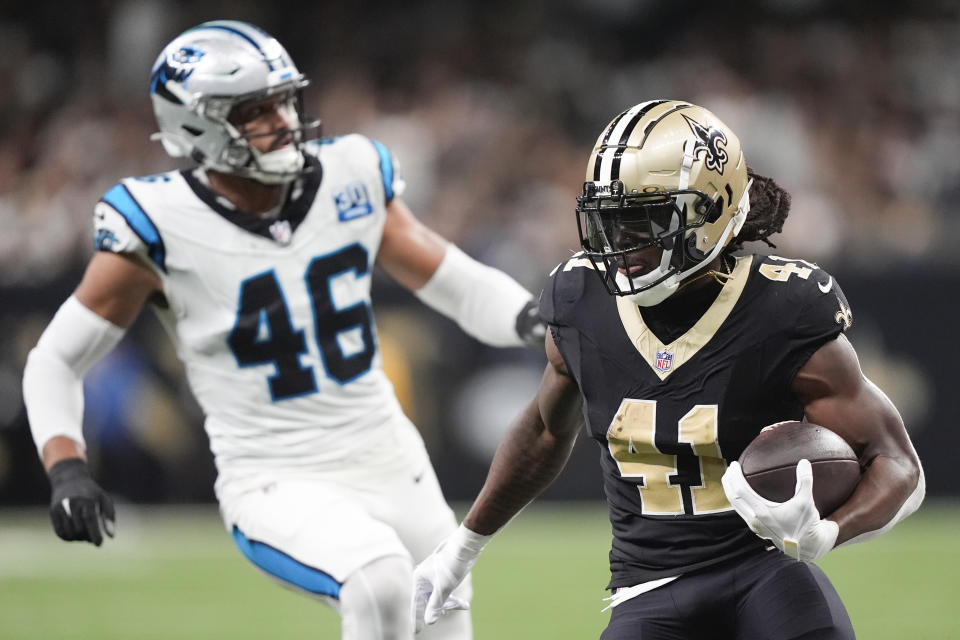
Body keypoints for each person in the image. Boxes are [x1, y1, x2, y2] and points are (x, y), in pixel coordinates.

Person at [21, 20, 545, 640]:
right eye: (255, 110)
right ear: (197, 126)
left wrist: (535, 319)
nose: (283, 120)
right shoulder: (158, 223)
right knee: (376, 580)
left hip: (386, 452)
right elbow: (55, 359)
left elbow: (449, 278)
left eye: (284, 99)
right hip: (275, 472)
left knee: (438, 614)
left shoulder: (350, 173)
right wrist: (66, 466)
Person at [412, 100, 925, 639]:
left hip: (767, 571)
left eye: (645, 219)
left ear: (713, 210)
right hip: (649, 588)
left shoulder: (782, 309)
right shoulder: (581, 301)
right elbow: (543, 431)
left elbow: (897, 463)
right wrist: (462, 546)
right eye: (610, 220)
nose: (622, 243)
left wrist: (827, 532)